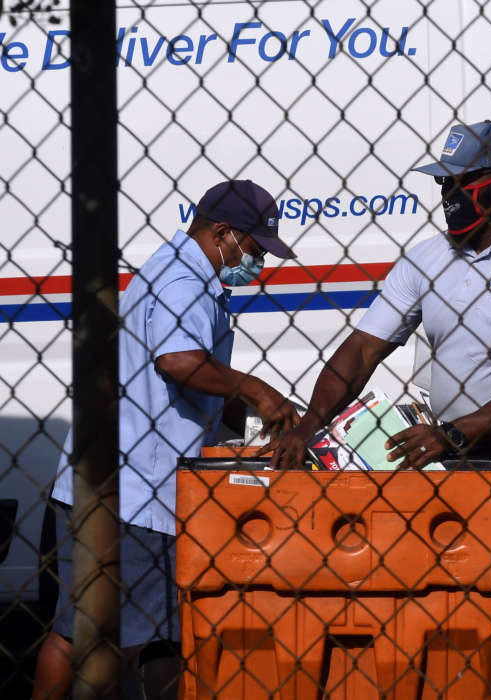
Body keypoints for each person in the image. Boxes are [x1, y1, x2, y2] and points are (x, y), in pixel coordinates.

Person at [268, 120, 491, 583]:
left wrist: (452, 435)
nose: (449, 194)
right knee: (447, 596)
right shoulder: (428, 257)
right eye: (444, 182)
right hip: (458, 456)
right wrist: (309, 427)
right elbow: (362, 349)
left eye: (463, 182)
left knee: (484, 594)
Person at [33, 180, 300, 700]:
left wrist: (247, 419)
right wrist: (259, 390)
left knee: (92, 631)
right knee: (130, 637)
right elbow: (177, 361)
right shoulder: (185, 282)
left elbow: (184, 373)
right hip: (134, 495)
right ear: (223, 233)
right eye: (253, 248)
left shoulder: (172, 268)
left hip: (105, 481)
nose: (258, 263)